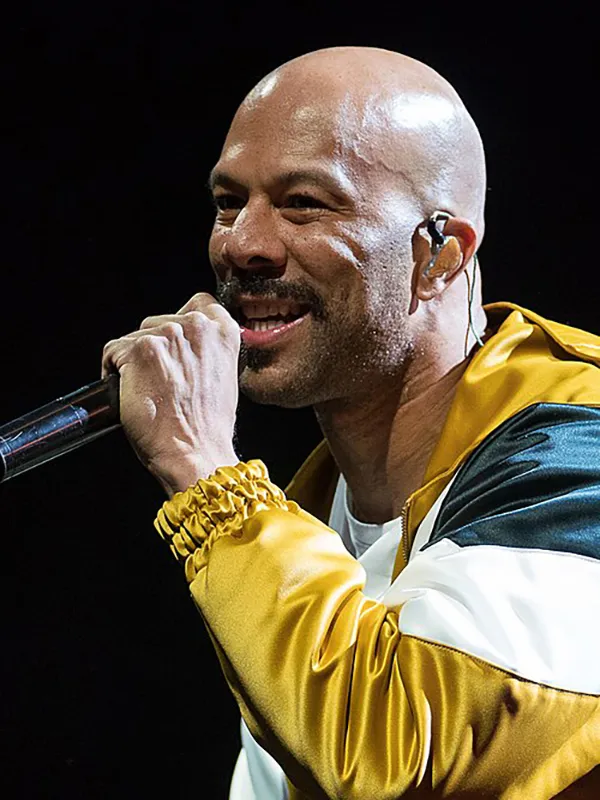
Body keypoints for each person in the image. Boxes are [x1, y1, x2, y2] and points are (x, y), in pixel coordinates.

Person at [102, 47, 600, 799]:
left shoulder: (576, 453)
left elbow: (396, 759)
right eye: (229, 202)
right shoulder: (307, 518)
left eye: (304, 203)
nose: (242, 244)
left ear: (440, 255)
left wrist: (203, 472)